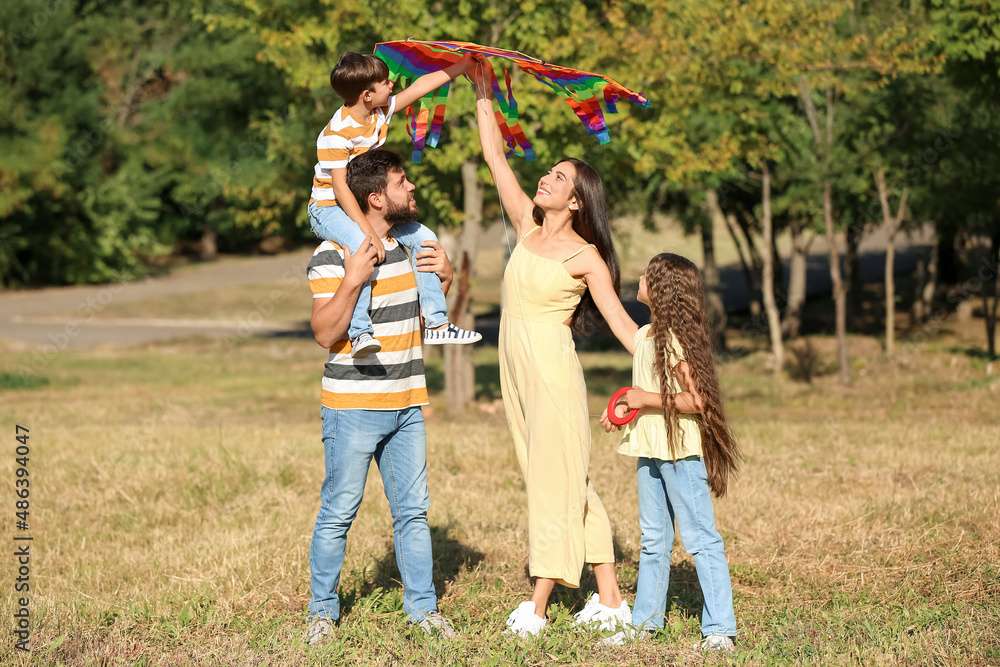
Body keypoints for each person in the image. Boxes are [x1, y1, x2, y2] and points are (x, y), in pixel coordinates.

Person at [469, 63, 640, 638]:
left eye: (559, 178)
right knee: (566, 481)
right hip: (514, 370)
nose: (545, 178)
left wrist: (664, 353)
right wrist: (483, 91)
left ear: (577, 202)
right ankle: (612, 600)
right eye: (548, 171)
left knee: (555, 482)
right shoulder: (526, 226)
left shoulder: (584, 256)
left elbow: (619, 320)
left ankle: (538, 607)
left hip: (551, 374)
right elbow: (495, 157)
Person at [302, 149, 459, 644]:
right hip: (352, 408)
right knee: (339, 512)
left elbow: (419, 319)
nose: (412, 188)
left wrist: (446, 280)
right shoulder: (332, 254)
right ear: (375, 198)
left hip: (407, 405)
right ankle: (321, 615)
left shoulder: (415, 249)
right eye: (401, 182)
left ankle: (424, 611)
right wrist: (353, 280)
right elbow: (325, 334)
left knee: (412, 512)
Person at [599, 253, 742, 651]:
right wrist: (624, 410)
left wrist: (642, 397)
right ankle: (646, 624)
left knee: (701, 539)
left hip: (681, 453)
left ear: (661, 289)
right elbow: (644, 396)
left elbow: (697, 399)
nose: (640, 277)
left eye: (647, 274)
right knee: (653, 539)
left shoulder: (676, 340)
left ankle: (720, 629)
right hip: (651, 450)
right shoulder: (646, 336)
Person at [308, 51, 481, 358]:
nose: (392, 85)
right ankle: (360, 332)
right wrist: (369, 233)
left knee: (425, 238)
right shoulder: (336, 135)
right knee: (364, 247)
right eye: (385, 82)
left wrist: (462, 67)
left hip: (360, 201)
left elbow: (418, 89)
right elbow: (339, 188)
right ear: (366, 94)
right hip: (328, 207)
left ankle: (437, 323)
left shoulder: (378, 110)